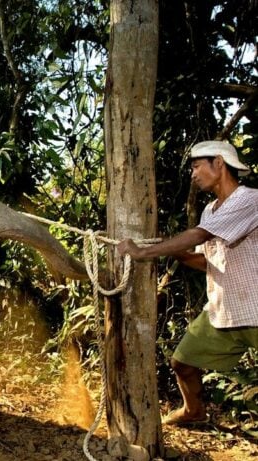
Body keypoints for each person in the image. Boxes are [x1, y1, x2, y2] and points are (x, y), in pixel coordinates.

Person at [117, 140, 257, 427]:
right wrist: (176, 252)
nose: (192, 174)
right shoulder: (210, 210)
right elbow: (206, 261)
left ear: (219, 163)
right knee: (182, 362)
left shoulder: (249, 199)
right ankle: (194, 411)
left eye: (196, 166)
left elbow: (199, 236)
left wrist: (144, 252)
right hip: (224, 310)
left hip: (255, 308)